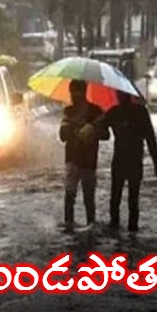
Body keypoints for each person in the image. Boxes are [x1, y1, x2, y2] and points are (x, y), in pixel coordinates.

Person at [91, 90, 157, 233]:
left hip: (134, 161)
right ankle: (115, 226)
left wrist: (156, 165)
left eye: (121, 94)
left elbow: (151, 138)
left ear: (127, 95)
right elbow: (99, 125)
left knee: (132, 199)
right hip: (120, 161)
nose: (119, 96)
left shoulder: (140, 112)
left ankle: (131, 229)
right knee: (115, 198)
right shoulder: (115, 112)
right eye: (119, 93)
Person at [59, 79, 110, 232]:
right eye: (72, 92)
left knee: (89, 196)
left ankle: (91, 223)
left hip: (89, 161)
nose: (74, 96)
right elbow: (62, 136)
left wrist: (93, 128)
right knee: (69, 195)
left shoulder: (96, 112)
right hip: (72, 159)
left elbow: (106, 135)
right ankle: (69, 225)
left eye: (77, 92)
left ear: (84, 92)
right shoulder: (68, 112)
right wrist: (71, 129)